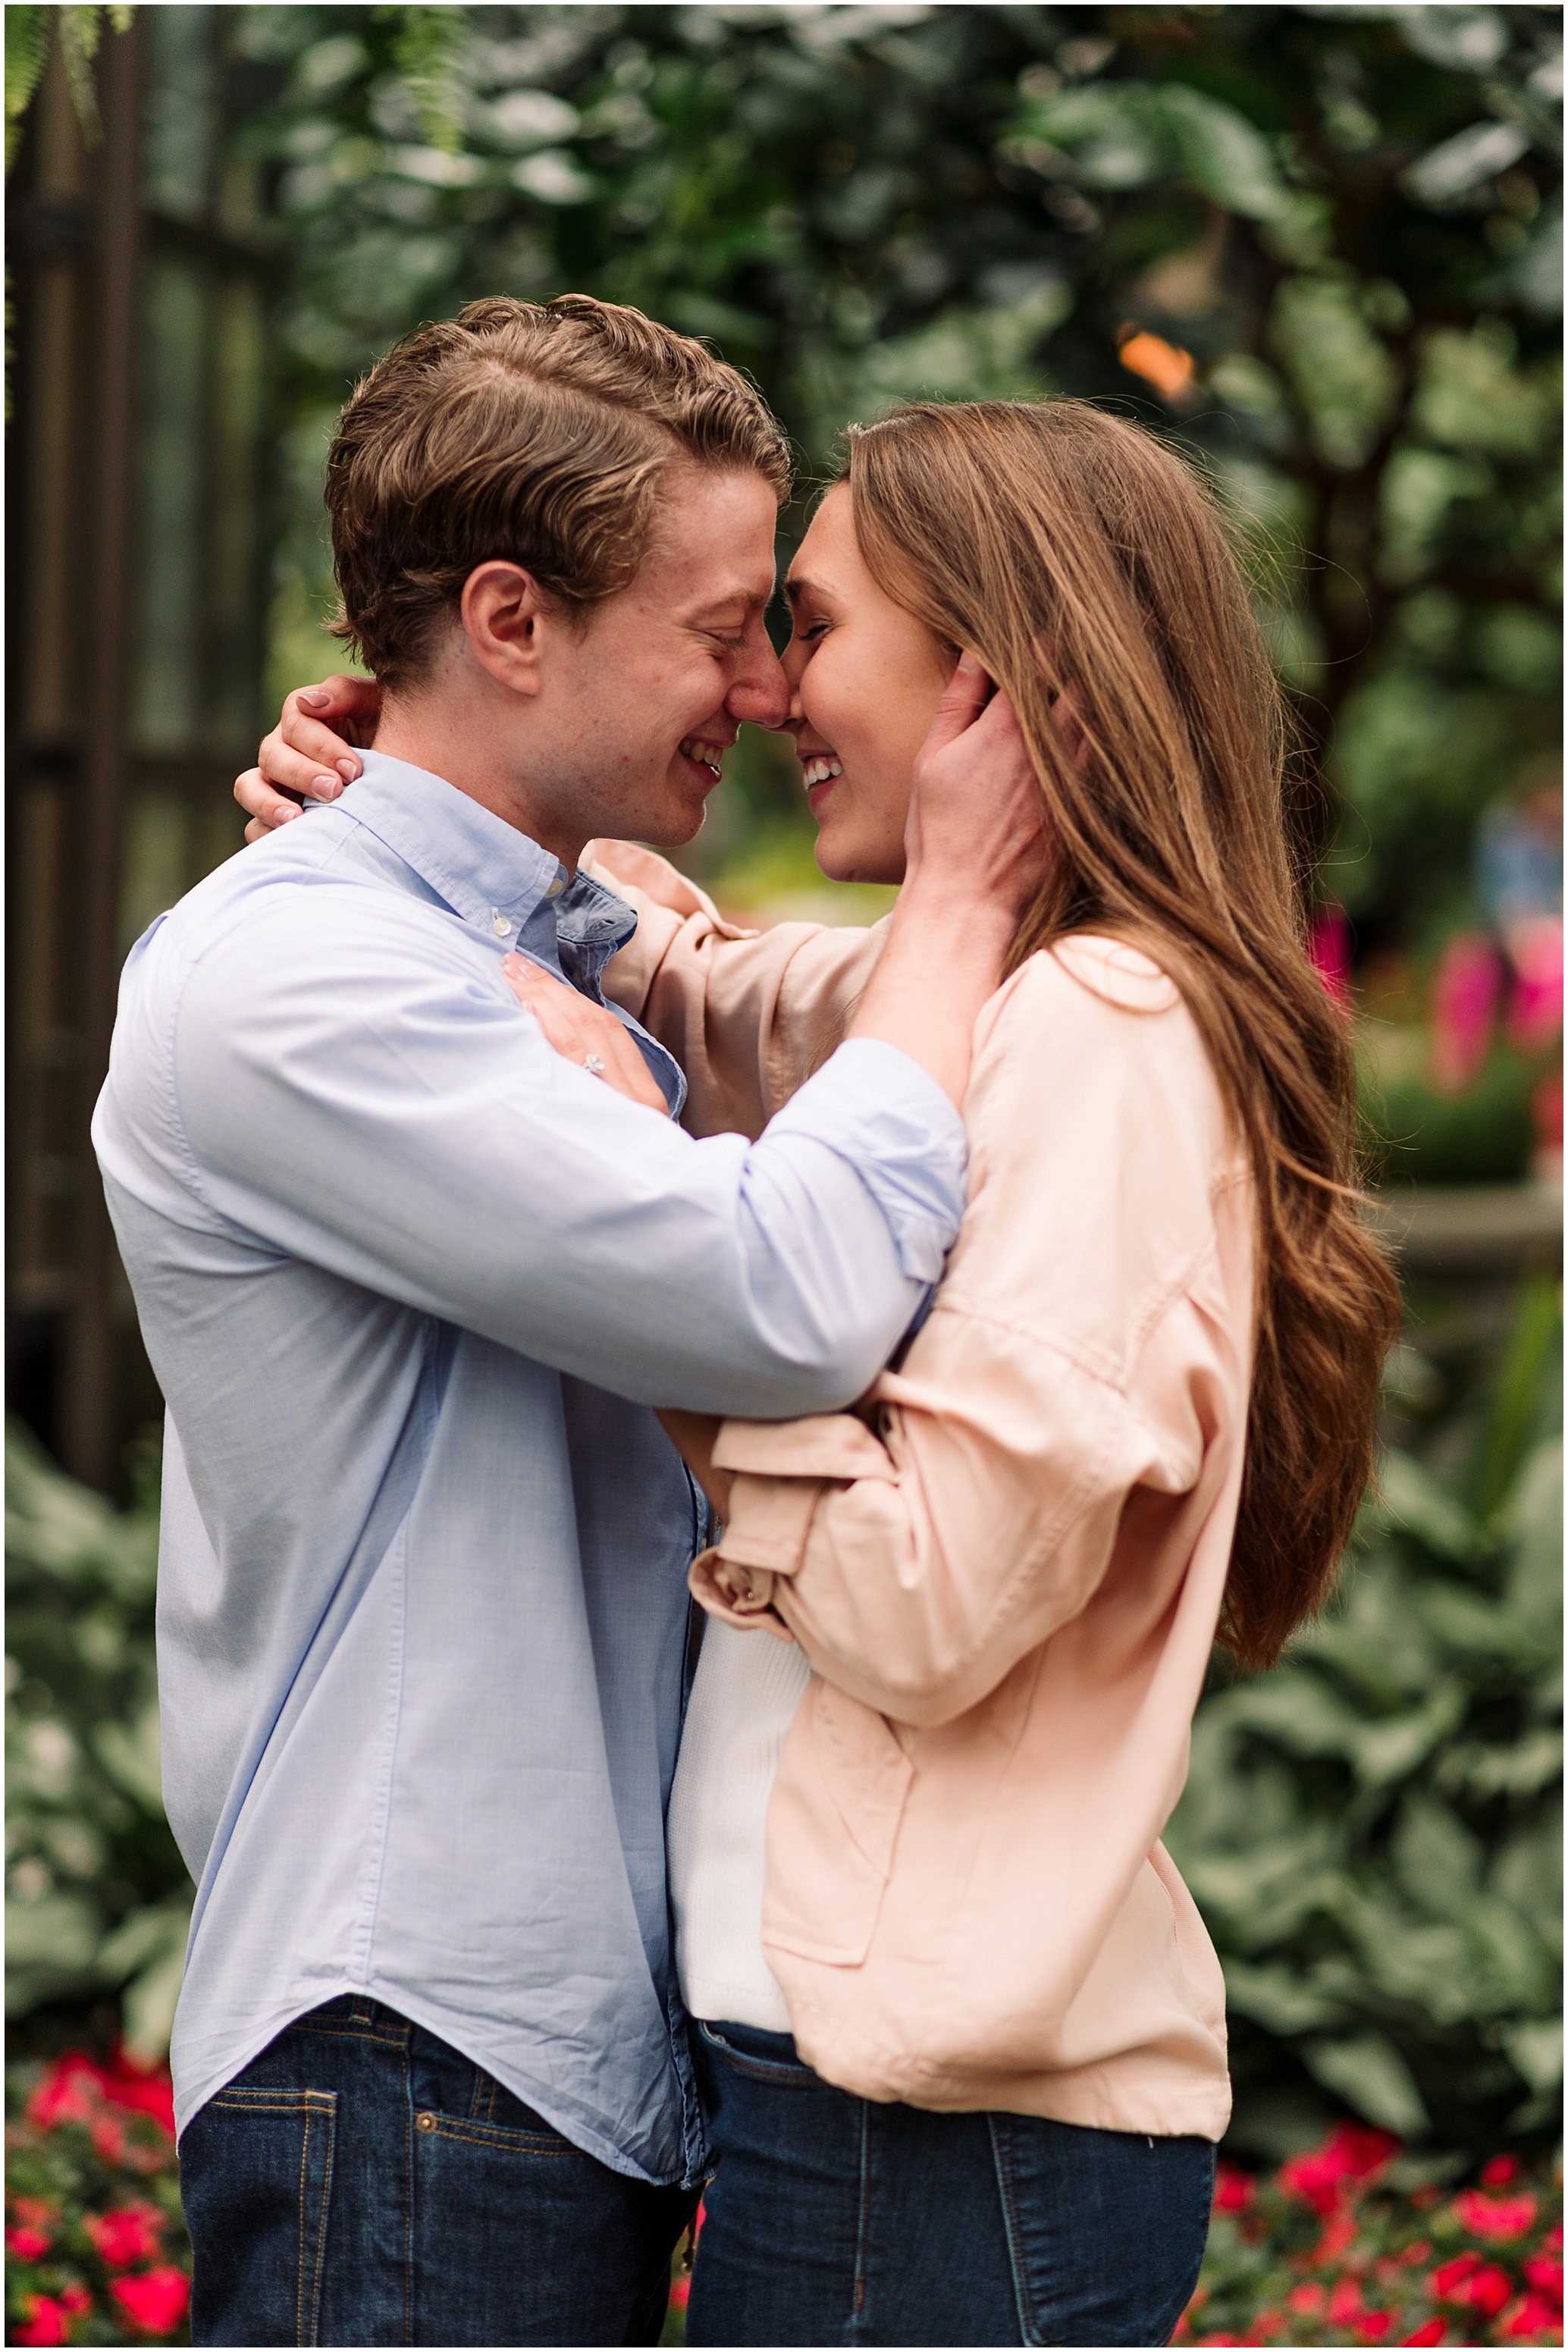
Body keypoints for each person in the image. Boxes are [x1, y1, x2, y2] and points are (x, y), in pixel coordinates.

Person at [247, 397, 1399, 2347]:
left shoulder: (1107, 1028)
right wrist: (418, 813)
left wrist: (676, 1274)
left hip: (951, 2136)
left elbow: (928, 1596)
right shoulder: (1008, 997)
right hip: (855, 2098)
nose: (774, 686)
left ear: (994, 699)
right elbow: (707, 989)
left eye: (813, 624)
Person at [97, 299, 1047, 2350]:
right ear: (509, 617)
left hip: (522, 2057)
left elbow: (742, 1024)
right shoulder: (308, 976)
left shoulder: (512, 933)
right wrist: (960, 910)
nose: (768, 681)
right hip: (417, 2032)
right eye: (722, 624)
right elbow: (775, 1293)